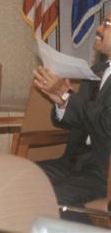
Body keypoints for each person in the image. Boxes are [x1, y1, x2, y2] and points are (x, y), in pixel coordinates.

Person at [32, 12, 111, 224]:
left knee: (50, 200)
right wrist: (60, 102)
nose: (98, 29)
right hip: (74, 162)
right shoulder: (95, 72)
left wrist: (68, 97)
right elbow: (78, 118)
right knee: (20, 179)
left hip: (104, 172)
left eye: (107, 24)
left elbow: (107, 125)